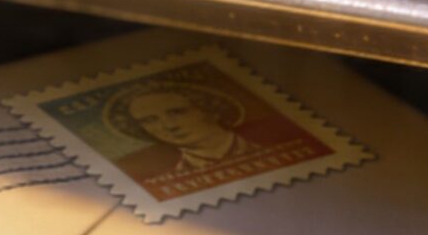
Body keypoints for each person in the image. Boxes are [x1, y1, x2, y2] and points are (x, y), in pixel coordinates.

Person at [102, 78, 322, 192]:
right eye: (150, 121)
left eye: (177, 112)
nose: (168, 126)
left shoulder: (281, 144)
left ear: (211, 110)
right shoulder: (161, 177)